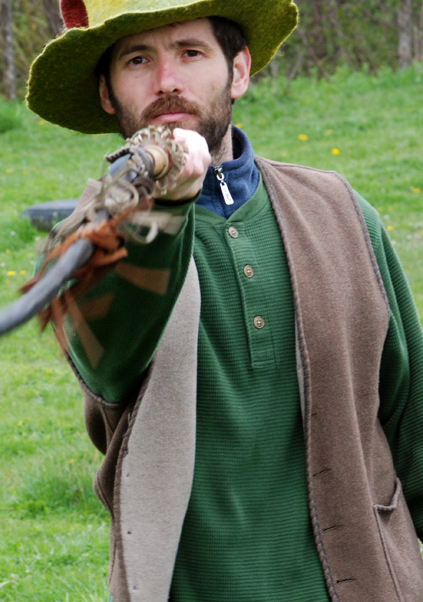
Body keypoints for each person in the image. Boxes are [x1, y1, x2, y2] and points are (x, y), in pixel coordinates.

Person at [25, 1, 423, 601]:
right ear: (108, 93)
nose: (167, 81)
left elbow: (413, 418)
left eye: (190, 53)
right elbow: (111, 353)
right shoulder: (83, 244)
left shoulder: (340, 211)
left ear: (237, 71)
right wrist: (160, 200)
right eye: (138, 60)